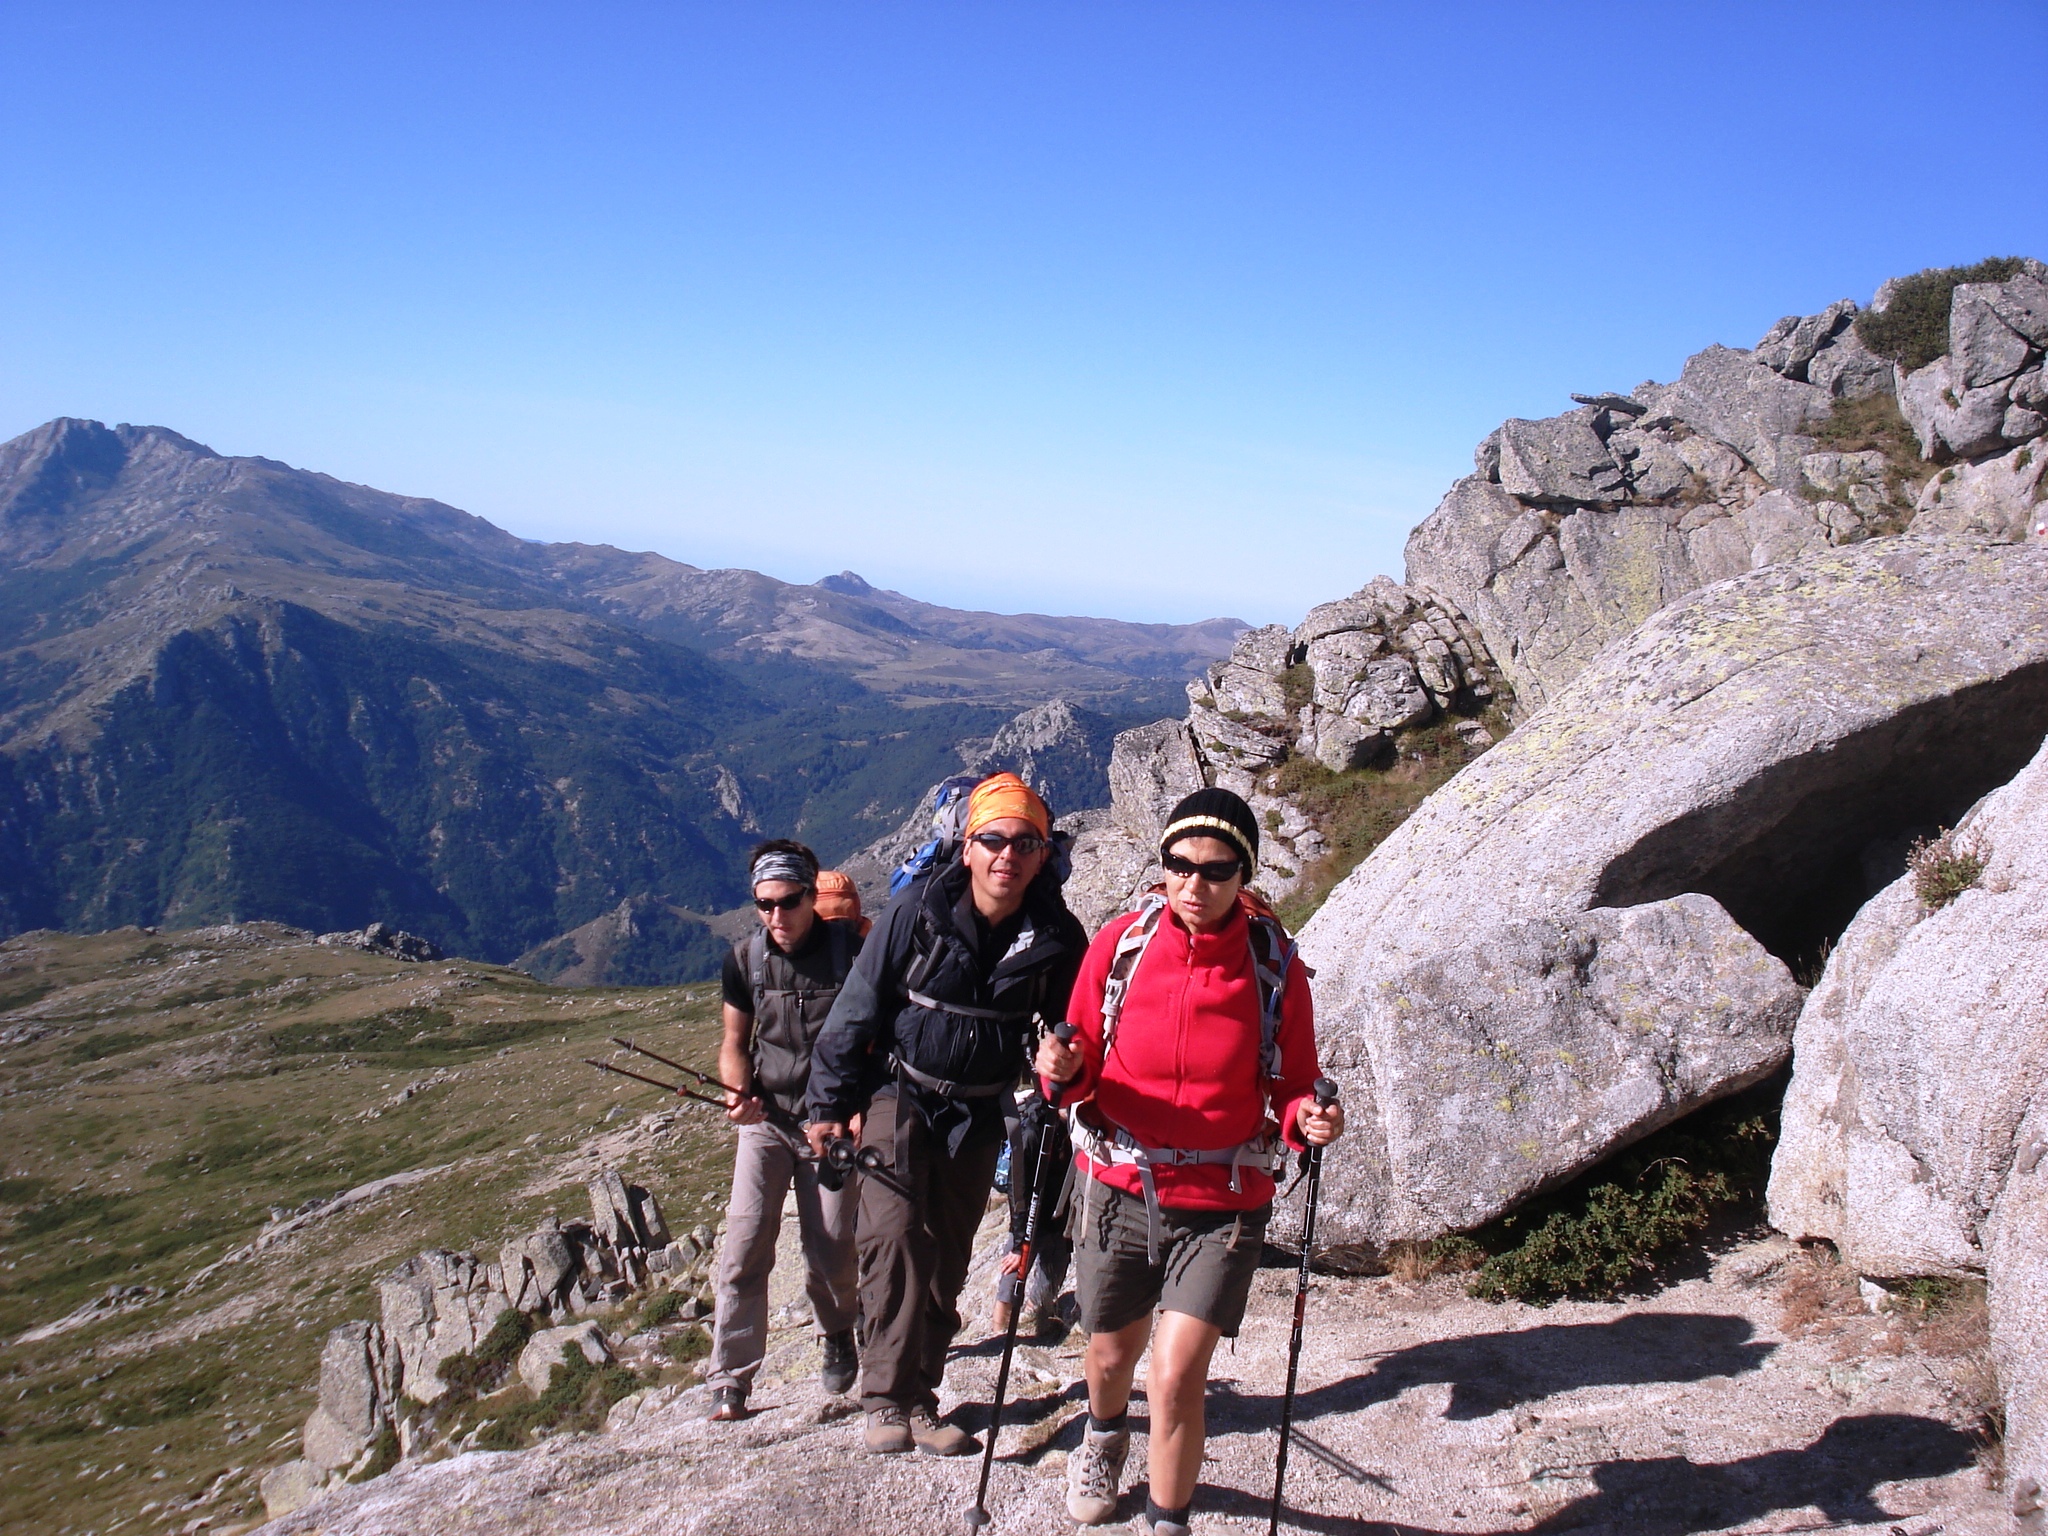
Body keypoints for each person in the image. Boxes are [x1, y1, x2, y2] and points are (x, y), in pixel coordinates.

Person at [1036, 788, 1346, 1536]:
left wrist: (1309, 1119)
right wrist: (1061, 1067)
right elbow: (1074, 1066)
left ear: (1244, 875)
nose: (1192, 885)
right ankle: (1105, 1437)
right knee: (1110, 1359)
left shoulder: (1275, 967)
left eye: (1215, 870)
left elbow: (1294, 1082)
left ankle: (1168, 1520)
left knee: (1175, 1375)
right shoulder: (1120, 946)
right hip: (1119, 1184)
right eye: (1178, 865)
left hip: (1225, 1196)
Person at [806, 772, 1088, 1457]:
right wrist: (827, 1106)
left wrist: (1065, 1051)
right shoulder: (914, 915)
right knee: (894, 1236)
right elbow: (857, 1007)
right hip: (897, 1093)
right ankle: (884, 1398)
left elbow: (1075, 1022)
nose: (1007, 854)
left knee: (946, 1256)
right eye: (992, 838)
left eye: (1026, 842)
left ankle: (921, 1397)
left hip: (980, 1109)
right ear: (966, 846)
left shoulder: (1056, 936)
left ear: (1043, 855)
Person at [704, 839, 865, 1422]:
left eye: (789, 901)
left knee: (832, 1249)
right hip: (768, 1122)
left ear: (811, 894)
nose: (776, 916)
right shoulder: (743, 962)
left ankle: (839, 1330)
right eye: (763, 904)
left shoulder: (853, 953)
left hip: (832, 1124)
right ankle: (731, 1379)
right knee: (744, 1246)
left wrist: (859, 1108)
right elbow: (733, 1045)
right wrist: (736, 1090)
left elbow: (877, 1038)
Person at [992, 1080, 1074, 1338]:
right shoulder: (1033, 1132)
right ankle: (997, 1334)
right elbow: (1019, 1190)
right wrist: (1019, 1243)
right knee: (1012, 1276)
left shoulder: (1078, 1129)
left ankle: (1038, 1320)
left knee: (1053, 1273)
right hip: (1030, 1218)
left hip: (1058, 1219)